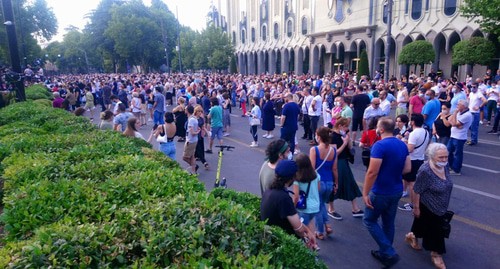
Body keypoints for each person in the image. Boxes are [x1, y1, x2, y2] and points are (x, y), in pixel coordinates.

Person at [362, 117, 411, 268]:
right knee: (388, 222)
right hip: (396, 189)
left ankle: (388, 251)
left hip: (381, 191)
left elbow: (372, 172)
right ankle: (384, 252)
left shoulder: (379, 146)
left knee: (369, 220)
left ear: (381, 129)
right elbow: (408, 168)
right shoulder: (402, 144)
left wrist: (365, 193)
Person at [406, 143, 453, 269]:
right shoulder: (425, 171)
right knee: (436, 231)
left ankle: (412, 236)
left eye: (446, 157)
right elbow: (416, 190)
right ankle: (436, 254)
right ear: (432, 157)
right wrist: (416, 208)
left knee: (421, 223)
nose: (444, 160)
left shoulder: (445, 166)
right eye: (440, 158)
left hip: (442, 204)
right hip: (428, 205)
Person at [260, 160, 317, 250]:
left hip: (269, 237)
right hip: (281, 243)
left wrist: (308, 230)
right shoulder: (284, 198)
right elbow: (298, 228)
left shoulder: (269, 191)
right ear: (292, 178)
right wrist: (307, 236)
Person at [329, 117, 364, 219]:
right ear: (340, 126)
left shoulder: (343, 134)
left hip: (344, 161)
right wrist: (344, 142)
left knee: (350, 182)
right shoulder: (333, 136)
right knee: (335, 184)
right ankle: (331, 208)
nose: (346, 129)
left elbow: (350, 148)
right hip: (337, 162)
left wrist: (347, 139)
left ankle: (355, 208)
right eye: (345, 127)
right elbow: (335, 153)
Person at [310, 126, 338, 240]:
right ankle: (328, 225)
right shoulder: (333, 150)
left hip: (318, 183)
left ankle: (320, 231)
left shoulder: (314, 150)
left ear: (319, 137)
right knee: (322, 205)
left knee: (318, 207)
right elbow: (335, 169)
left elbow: (312, 169)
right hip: (329, 183)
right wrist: (336, 183)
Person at [399, 113, 430, 212]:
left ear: (412, 122)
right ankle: (413, 202)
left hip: (412, 160)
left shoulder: (414, 133)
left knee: (412, 183)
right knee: (411, 182)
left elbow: (410, 149)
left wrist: (403, 141)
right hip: (420, 159)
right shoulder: (425, 132)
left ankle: (412, 204)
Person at [292, 153, 321, 251]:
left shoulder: (297, 179)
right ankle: (315, 244)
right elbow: (318, 189)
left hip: (304, 208)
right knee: (310, 223)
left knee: (303, 230)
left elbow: (296, 196)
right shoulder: (316, 175)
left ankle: (309, 249)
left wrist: (293, 206)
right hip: (315, 207)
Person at [447, 99, 473, 176]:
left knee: (458, 154)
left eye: (459, 104)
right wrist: (455, 122)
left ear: (463, 106)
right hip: (453, 135)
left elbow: (454, 123)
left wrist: (454, 114)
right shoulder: (460, 113)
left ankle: (456, 169)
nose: (457, 105)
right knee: (448, 151)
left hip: (459, 137)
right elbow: (450, 120)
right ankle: (450, 166)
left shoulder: (467, 115)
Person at [183, 105, 200, 175]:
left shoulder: (191, 120)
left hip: (190, 140)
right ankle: (193, 170)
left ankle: (194, 166)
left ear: (187, 111)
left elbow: (192, 132)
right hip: (194, 140)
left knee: (185, 157)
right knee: (192, 156)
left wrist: (196, 132)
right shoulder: (194, 118)